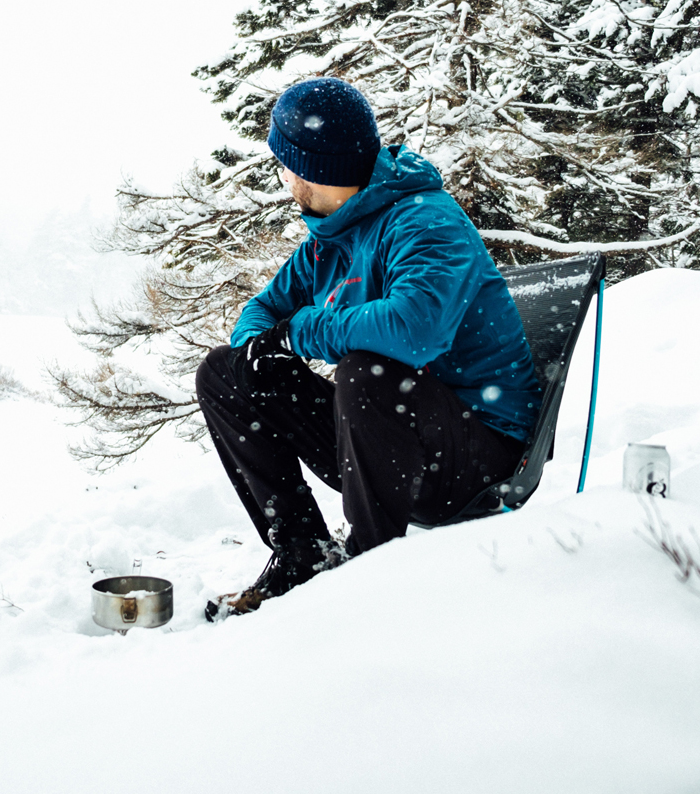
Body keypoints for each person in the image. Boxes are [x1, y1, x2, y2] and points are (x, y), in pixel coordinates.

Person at [198, 77, 541, 620]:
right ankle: (302, 557)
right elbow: (263, 314)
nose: (282, 176)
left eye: (283, 163)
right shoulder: (334, 236)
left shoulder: (425, 221)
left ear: (310, 169)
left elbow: (415, 329)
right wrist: (261, 350)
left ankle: (365, 578)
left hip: (476, 451)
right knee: (226, 371)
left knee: (369, 370)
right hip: (389, 443)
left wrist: (301, 332)